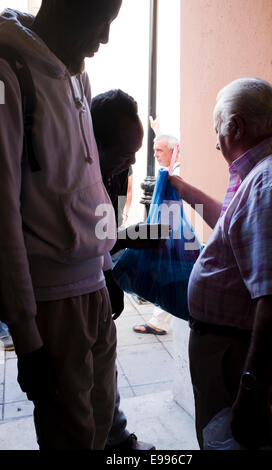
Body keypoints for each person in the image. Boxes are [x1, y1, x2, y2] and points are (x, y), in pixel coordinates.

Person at [0, 0, 123, 450]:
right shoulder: (7, 73)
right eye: (101, 22)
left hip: (93, 289)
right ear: (65, 9)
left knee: (102, 418)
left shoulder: (77, 75)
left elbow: (91, 183)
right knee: (68, 435)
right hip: (52, 302)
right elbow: (3, 219)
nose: (104, 39)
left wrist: (107, 267)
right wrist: (27, 338)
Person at [169, 77, 272, 449]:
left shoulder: (271, 184)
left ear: (236, 127)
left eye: (217, 129)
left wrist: (252, 395)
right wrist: (181, 189)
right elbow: (232, 224)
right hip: (234, 347)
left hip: (238, 354)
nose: (215, 142)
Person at [91, 89, 155, 450]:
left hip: (100, 279)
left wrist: (147, 237)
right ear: (94, 140)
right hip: (67, 290)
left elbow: (109, 232)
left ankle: (116, 439)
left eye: (135, 153)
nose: (130, 161)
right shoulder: (71, 175)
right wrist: (109, 272)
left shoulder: (118, 170)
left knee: (105, 369)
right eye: (122, 152)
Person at [133, 134, 180, 335]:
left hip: (175, 233)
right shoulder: (171, 170)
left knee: (171, 277)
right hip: (170, 232)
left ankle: (158, 322)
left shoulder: (178, 172)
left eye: (159, 150)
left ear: (173, 151)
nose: (155, 154)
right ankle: (158, 321)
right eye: (154, 150)